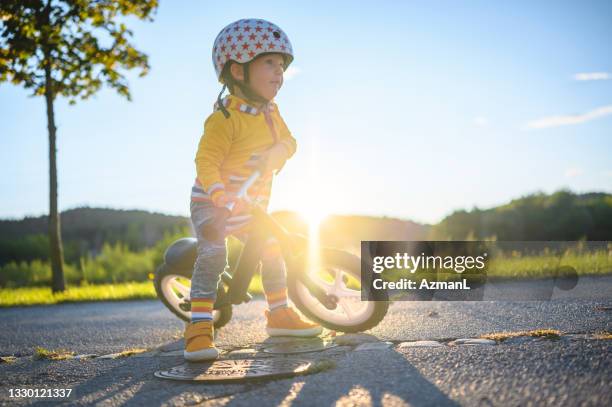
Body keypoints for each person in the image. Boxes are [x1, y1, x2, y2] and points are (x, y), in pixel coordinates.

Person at [184, 18, 322, 362]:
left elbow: (290, 141)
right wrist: (218, 195)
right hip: (213, 203)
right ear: (239, 71)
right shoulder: (224, 119)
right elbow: (206, 162)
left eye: (282, 65)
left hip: (252, 202)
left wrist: (280, 151)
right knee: (214, 255)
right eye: (269, 63)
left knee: (271, 246)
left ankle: (279, 314)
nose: (279, 73)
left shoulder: (271, 114)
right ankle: (199, 327)